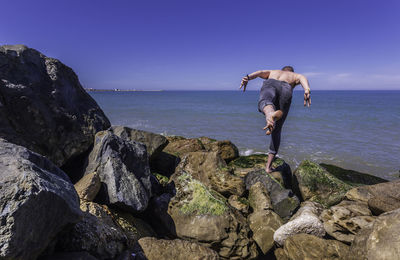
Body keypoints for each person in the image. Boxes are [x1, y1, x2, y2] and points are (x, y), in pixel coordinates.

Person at [239, 66, 311, 173]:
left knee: (265, 101)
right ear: (291, 72)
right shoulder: (295, 76)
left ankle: (269, 113)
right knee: (277, 131)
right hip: (287, 89)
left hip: (270, 84)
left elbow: (260, 72)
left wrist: (248, 77)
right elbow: (302, 78)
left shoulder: (273, 72)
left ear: (282, 70)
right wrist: (307, 89)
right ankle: (268, 167)